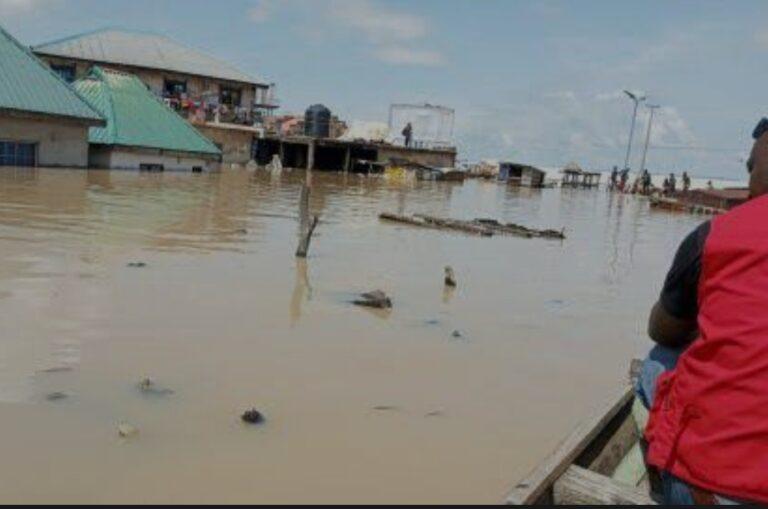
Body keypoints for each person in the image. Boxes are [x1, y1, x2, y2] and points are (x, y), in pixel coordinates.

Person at [636, 117, 768, 505]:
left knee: (657, 362)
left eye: (750, 167)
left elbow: (661, 329)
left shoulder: (715, 235)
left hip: (713, 485)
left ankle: (663, 474)